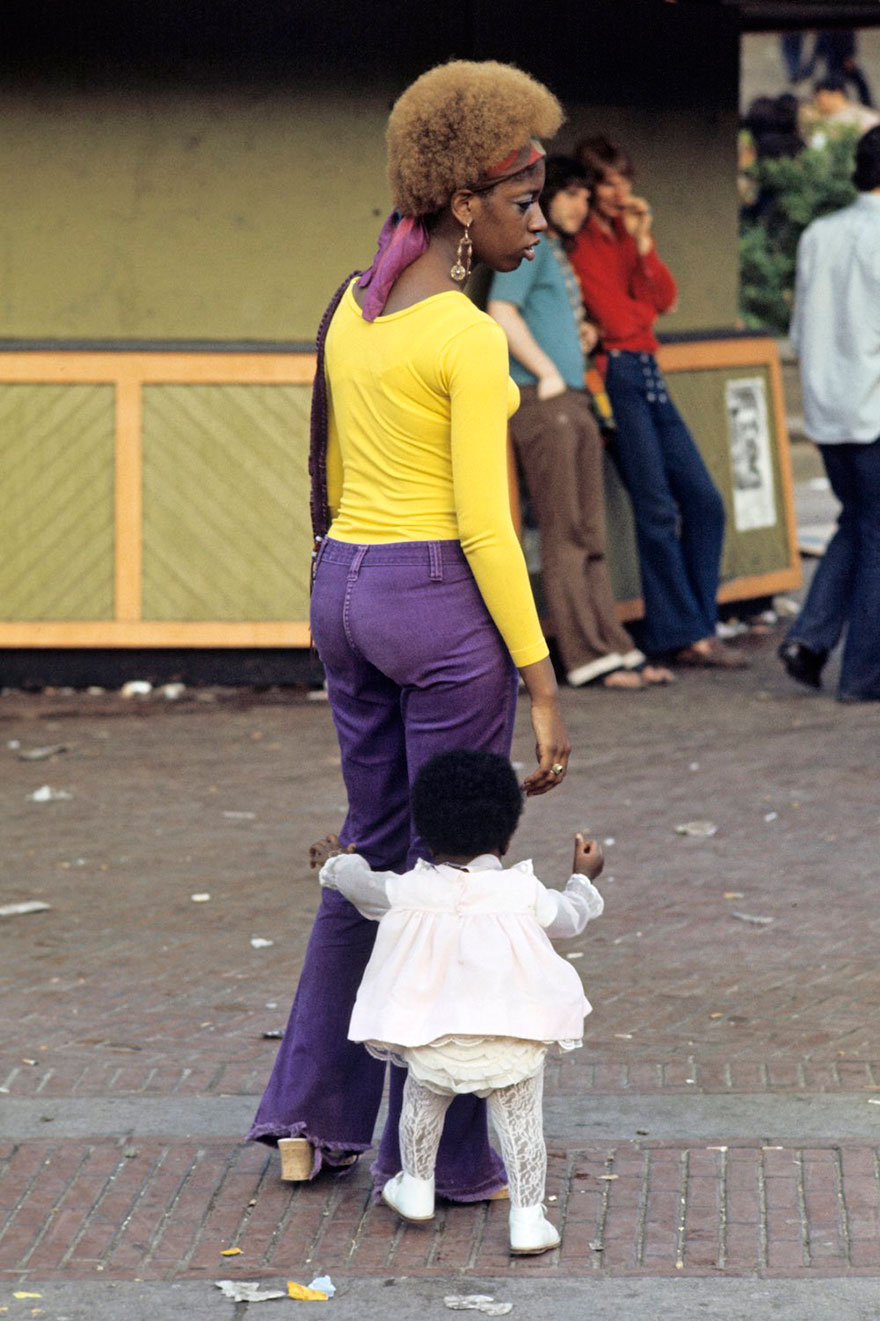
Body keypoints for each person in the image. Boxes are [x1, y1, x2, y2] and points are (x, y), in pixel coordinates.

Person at [247, 61, 572, 1204]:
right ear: (462, 205)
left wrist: (347, 581)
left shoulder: (353, 301)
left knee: (368, 858)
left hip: (343, 591)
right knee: (461, 881)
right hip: (438, 609)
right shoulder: (468, 338)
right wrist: (540, 676)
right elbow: (489, 526)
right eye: (522, 200)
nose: (538, 221)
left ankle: (305, 1116)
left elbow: (331, 475)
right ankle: (449, 1156)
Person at [310, 749, 605, 1255]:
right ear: (508, 835)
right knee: (522, 1127)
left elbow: (359, 886)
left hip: (433, 1040)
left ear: (422, 830)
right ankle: (529, 1220)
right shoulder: (521, 891)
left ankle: (417, 1186)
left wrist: (337, 859)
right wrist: (584, 875)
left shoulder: (407, 891)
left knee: (420, 1104)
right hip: (515, 1039)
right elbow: (571, 917)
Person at [487, 156, 673, 690]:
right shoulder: (532, 243)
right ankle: (586, 655)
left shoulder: (555, 250)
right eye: (565, 194)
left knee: (588, 529)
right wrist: (545, 371)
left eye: (583, 197)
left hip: (573, 398)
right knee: (566, 530)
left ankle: (613, 646)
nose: (577, 206)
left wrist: (578, 338)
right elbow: (503, 311)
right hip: (546, 400)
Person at [570, 136, 747, 669]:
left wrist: (645, 247)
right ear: (590, 186)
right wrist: (629, 317)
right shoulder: (579, 245)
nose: (620, 191)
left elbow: (662, 299)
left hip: (646, 369)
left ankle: (695, 624)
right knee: (655, 507)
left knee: (705, 503)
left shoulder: (627, 233)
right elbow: (622, 315)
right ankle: (684, 633)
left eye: (626, 180)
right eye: (609, 181)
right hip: (616, 374)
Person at [778, 126, 880, 703]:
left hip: (827, 406)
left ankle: (811, 639)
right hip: (873, 405)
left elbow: (801, 327)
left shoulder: (820, 233)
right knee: (875, 532)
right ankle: (864, 674)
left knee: (857, 521)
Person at [801, 77, 879, 149]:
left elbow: (816, 148)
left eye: (819, 98)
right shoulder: (868, 114)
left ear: (837, 94)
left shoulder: (828, 124)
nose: (817, 102)